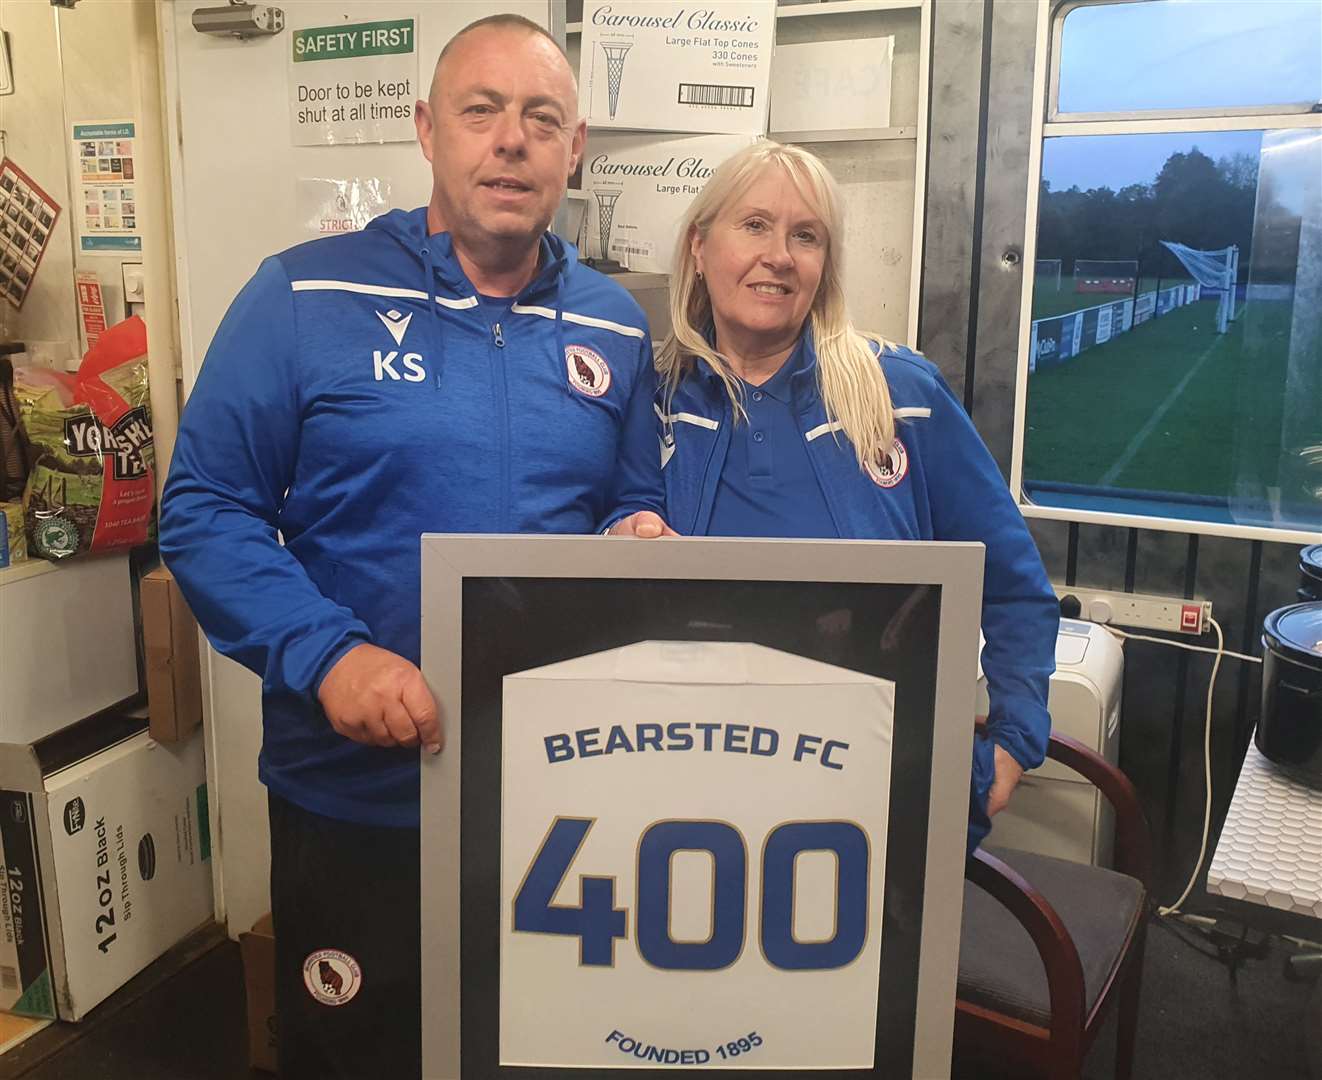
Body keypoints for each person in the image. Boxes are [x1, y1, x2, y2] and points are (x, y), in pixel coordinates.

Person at [160, 14, 670, 1079]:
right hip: (356, 799)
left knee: (543, 1055)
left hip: (558, 802)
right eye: (480, 111)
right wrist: (327, 654)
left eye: (540, 118)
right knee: (359, 1057)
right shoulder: (302, 295)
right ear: (425, 130)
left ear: (574, 149)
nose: (510, 140)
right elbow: (205, 508)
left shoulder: (616, 325)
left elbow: (629, 500)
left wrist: (637, 529)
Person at [654, 141, 1058, 854]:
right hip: (689, 793)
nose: (779, 254)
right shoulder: (649, 402)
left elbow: (1014, 586)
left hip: (883, 799)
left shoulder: (903, 394)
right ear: (698, 245)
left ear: (824, 264)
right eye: (753, 225)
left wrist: (1015, 737)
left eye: (805, 235)